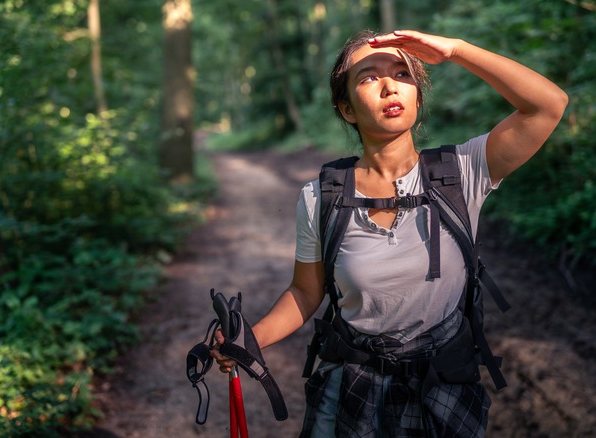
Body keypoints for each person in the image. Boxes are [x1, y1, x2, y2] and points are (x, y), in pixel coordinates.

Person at [211, 29, 568, 437]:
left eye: (402, 73)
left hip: (442, 388)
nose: (388, 86)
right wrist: (249, 339)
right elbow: (305, 293)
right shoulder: (320, 197)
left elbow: (548, 105)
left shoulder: (462, 173)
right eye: (367, 77)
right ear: (346, 109)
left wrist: (455, 51)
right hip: (351, 387)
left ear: (416, 94)